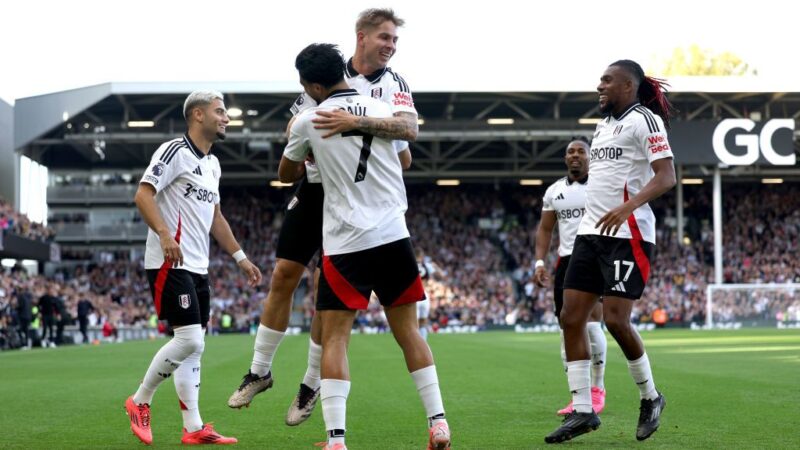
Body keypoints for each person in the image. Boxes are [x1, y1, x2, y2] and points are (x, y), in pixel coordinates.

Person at [228, 8, 417, 428]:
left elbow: (406, 148)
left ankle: (312, 383)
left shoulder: (394, 86)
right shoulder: (326, 74)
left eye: (394, 41)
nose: (390, 47)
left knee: (325, 294)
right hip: (317, 187)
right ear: (361, 37)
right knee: (282, 275)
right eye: (384, 38)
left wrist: (359, 124)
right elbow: (294, 128)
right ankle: (260, 371)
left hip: (360, 193)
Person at [278, 43, 450, 450]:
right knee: (409, 332)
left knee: (336, 339)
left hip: (345, 241)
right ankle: (438, 422)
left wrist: (303, 142)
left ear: (315, 85)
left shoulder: (309, 119)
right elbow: (405, 159)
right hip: (393, 234)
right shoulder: (384, 108)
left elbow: (286, 174)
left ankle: (336, 440)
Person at [545, 59, 677, 444]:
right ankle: (584, 409)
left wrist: (628, 206)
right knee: (571, 317)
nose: (599, 86)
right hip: (590, 235)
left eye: (607, 80)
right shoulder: (601, 128)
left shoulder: (645, 121)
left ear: (627, 86)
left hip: (627, 234)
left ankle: (651, 397)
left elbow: (667, 175)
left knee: (617, 321)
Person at [124, 90, 262, 445]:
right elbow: (143, 194)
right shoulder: (174, 151)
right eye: (220, 111)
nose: (226, 118)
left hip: (198, 267)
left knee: (195, 346)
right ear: (197, 115)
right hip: (169, 261)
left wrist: (240, 258)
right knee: (188, 339)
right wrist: (165, 234)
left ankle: (194, 427)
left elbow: (216, 218)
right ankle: (139, 400)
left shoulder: (212, 164)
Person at [534, 137, 607, 415]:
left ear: (590, 157)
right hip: (566, 262)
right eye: (570, 152)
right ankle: (578, 394)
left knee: (591, 324)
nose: (575, 155)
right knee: (567, 327)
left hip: (596, 257)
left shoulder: (602, 187)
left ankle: (597, 389)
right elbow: (545, 229)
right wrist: (539, 261)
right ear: (565, 159)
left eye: (580, 151)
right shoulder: (554, 191)